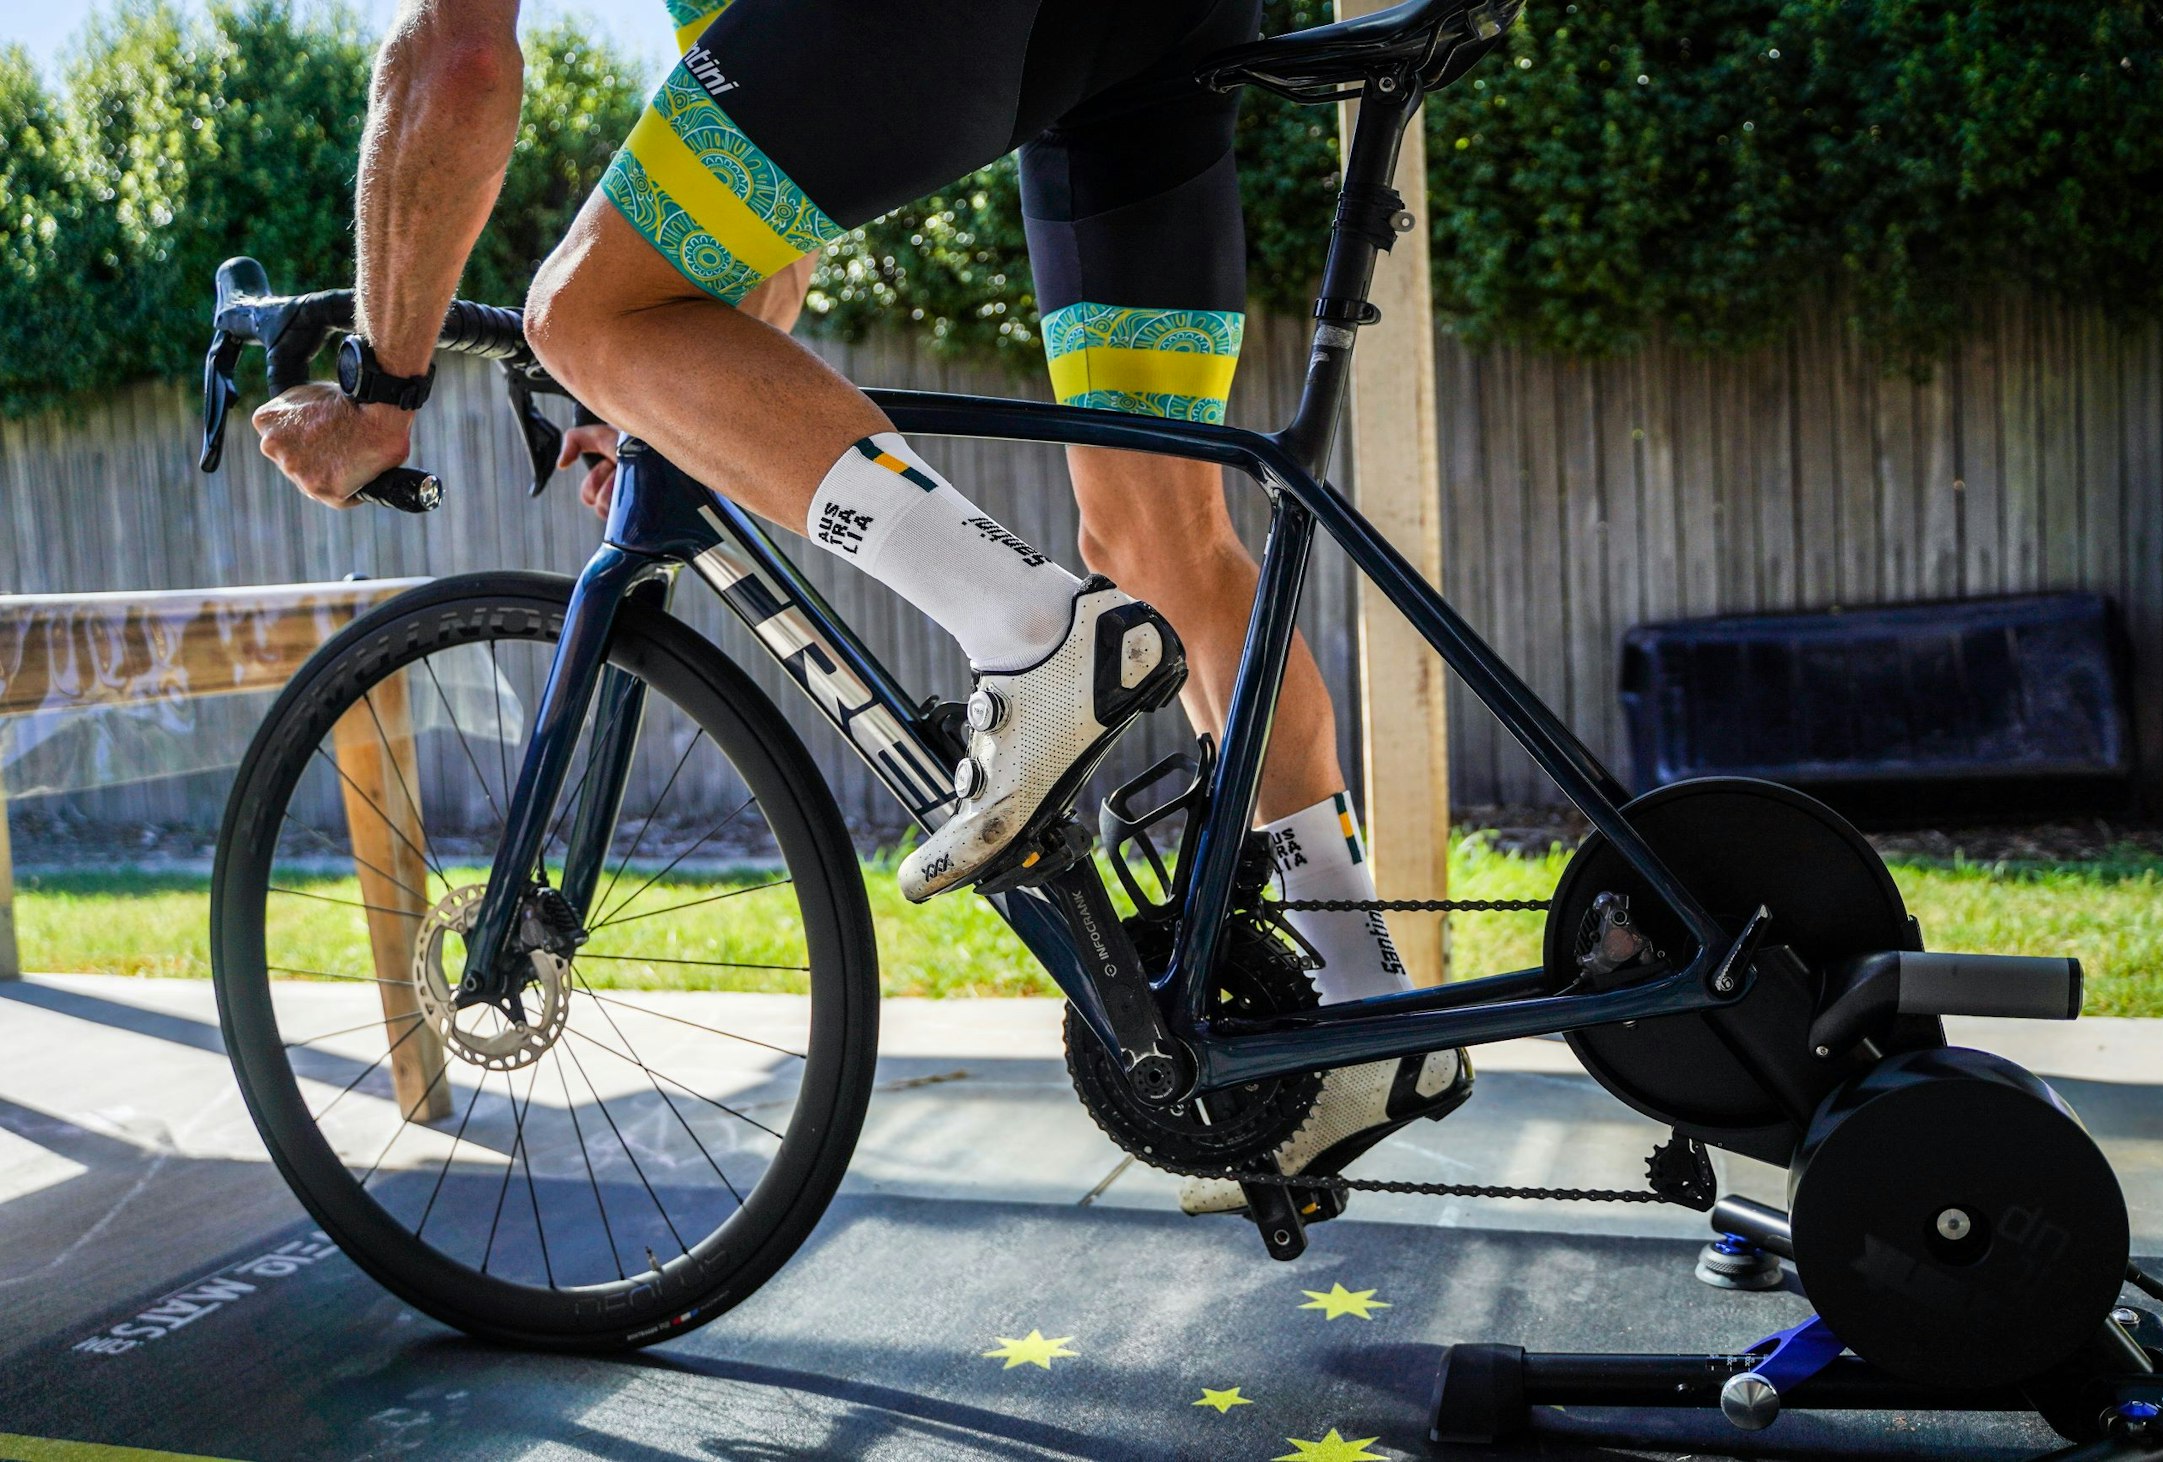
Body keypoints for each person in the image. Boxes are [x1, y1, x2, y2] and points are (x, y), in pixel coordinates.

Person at [250, 0, 1470, 1217]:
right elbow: (766, 246)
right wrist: (665, 394)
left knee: (576, 311)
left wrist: (379, 387)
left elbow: (453, 60)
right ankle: (1369, 1010)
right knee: (1162, 535)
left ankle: (1034, 632)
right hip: (1147, 36)